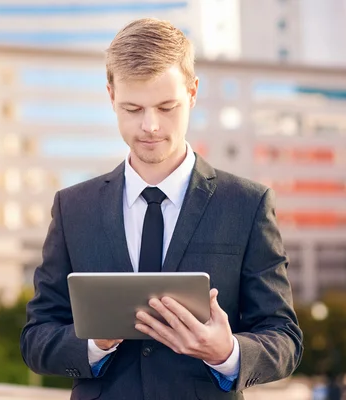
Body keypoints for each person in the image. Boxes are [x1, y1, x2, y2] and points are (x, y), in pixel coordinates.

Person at [20, 17, 303, 400]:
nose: (150, 126)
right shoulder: (73, 208)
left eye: (166, 107)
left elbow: (284, 338)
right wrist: (94, 343)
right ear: (110, 96)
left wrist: (227, 353)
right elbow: (36, 337)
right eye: (133, 108)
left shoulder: (247, 205)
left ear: (193, 93)